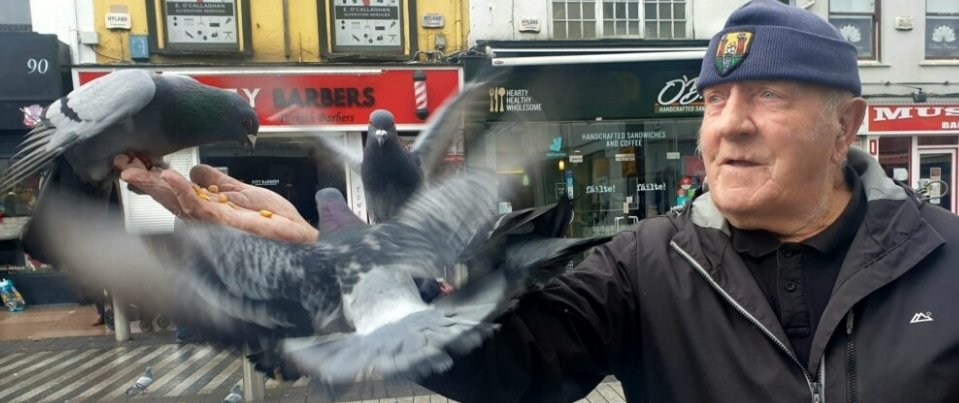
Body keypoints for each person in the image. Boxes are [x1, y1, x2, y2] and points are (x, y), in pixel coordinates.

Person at [120, 1, 959, 401]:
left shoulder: (944, 262)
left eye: (767, 97)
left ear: (848, 121)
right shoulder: (645, 263)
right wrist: (336, 263)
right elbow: (501, 364)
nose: (729, 127)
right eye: (711, 102)